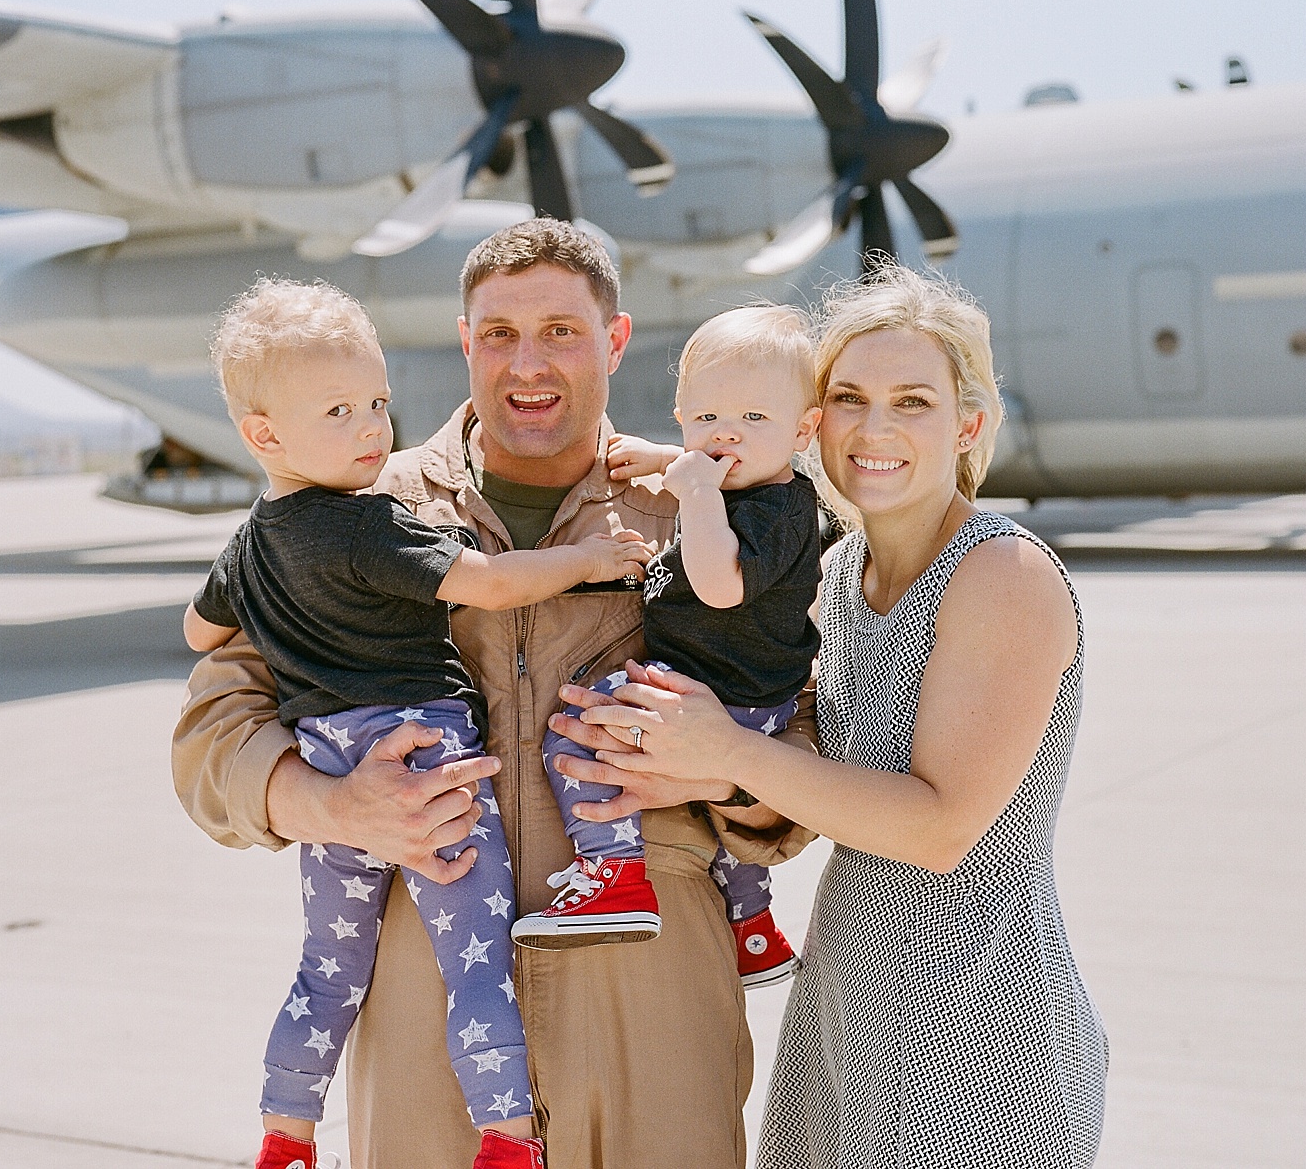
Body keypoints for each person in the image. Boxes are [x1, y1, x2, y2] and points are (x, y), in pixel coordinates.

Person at [172, 219, 817, 1169]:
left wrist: (720, 767)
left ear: (615, 341)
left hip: (653, 1008)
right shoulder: (346, 505)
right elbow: (211, 732)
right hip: (425, 1018)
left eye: (562, 330)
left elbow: (803, 736)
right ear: (466, 341)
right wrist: (332, 803)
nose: (530, 362)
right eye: (501, 333)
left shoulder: (708, 507)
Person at [552, 263, 1110, 1166]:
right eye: (850, 395)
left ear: (968, 424)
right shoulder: (837, 575)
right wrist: (706, 768)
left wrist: (729, 748)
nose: (875, 426)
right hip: (843, 1022)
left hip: (981, 1039)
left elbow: (939, 828)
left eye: (914, 401)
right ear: (816, 418)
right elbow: (811, 786)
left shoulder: (1002, 576)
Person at [182, 278, 652, 1169]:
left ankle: (285, 1133)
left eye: (377, 404)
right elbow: (490, 582)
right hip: (429, 757)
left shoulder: (246, 544)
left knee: (326, 969)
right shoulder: (375, 524)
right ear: (264, 434)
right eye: (340, 411)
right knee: (473, 964)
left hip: (335, 756)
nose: (370, 428)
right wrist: (590, 557)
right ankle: (508, 1138)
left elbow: (198, 630)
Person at [508, 305, 820, 992]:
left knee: (576, 738)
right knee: (724, 840)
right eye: (706, 419)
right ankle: (754, 930)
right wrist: (671, 462)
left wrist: (697, 492)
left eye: (755, 421)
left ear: (805, 430)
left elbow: (716, 585)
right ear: (682, 415)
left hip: (720, 699)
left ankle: (613, 876)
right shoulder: (751, 479)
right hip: (751, 694)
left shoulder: (776, 509)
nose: (725, 435)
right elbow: (709, 462)